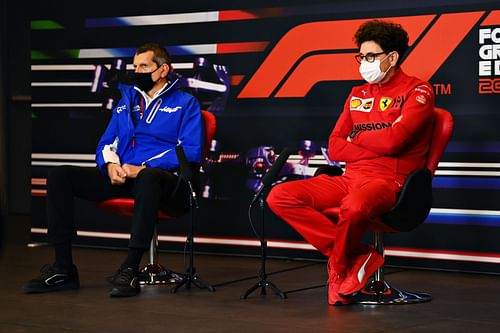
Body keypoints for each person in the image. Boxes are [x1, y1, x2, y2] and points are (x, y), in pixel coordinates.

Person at [267, 20, 435, 306]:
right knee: (279, 196)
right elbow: (335, 146)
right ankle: (355, 255)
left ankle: (340, 266)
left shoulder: (419, 91)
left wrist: (357, 139)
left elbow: (395, 142)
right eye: (361, 56)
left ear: (392, 57)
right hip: (350, 178)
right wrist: (375, 144)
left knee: (354, 206)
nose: (364, 62)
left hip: (390, 182)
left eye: (371, 57)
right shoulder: (357, 94)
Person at [23, 43, 203, 297]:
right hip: (124, 176)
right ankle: (63, 269)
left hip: (167, 184)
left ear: (163, 70)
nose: (136, 71)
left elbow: (190, 151)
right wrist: (110, 165)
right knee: (60, 175)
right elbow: (107, 142)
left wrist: (141, 167)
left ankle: (130, 269)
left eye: (144, 66)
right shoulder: (127, 99)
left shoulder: (186, 103)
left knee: (148, 177)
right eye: (134, 66)